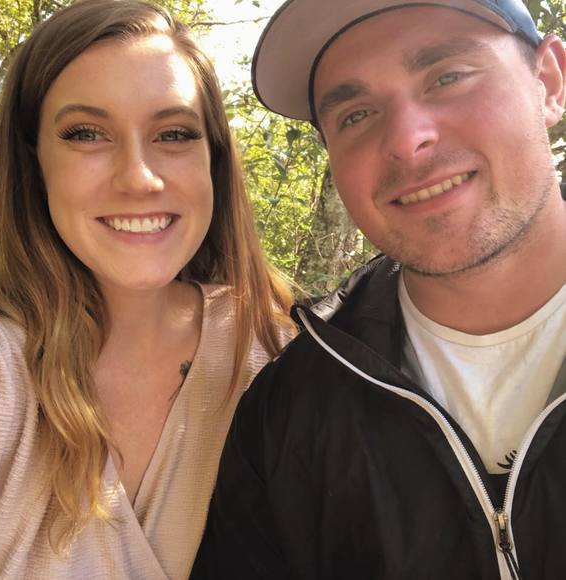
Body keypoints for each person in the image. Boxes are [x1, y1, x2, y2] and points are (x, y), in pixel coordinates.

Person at [192, 0, 566, 578]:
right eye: (357, 114)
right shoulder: (289, 411)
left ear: (549, 83)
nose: (407, 139)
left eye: (447, 77)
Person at [0, 1, 295, 578]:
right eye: (86, 134)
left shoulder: (286, 355)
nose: (139, 178)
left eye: (173, 134)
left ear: (213, 161)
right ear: (34, 166)